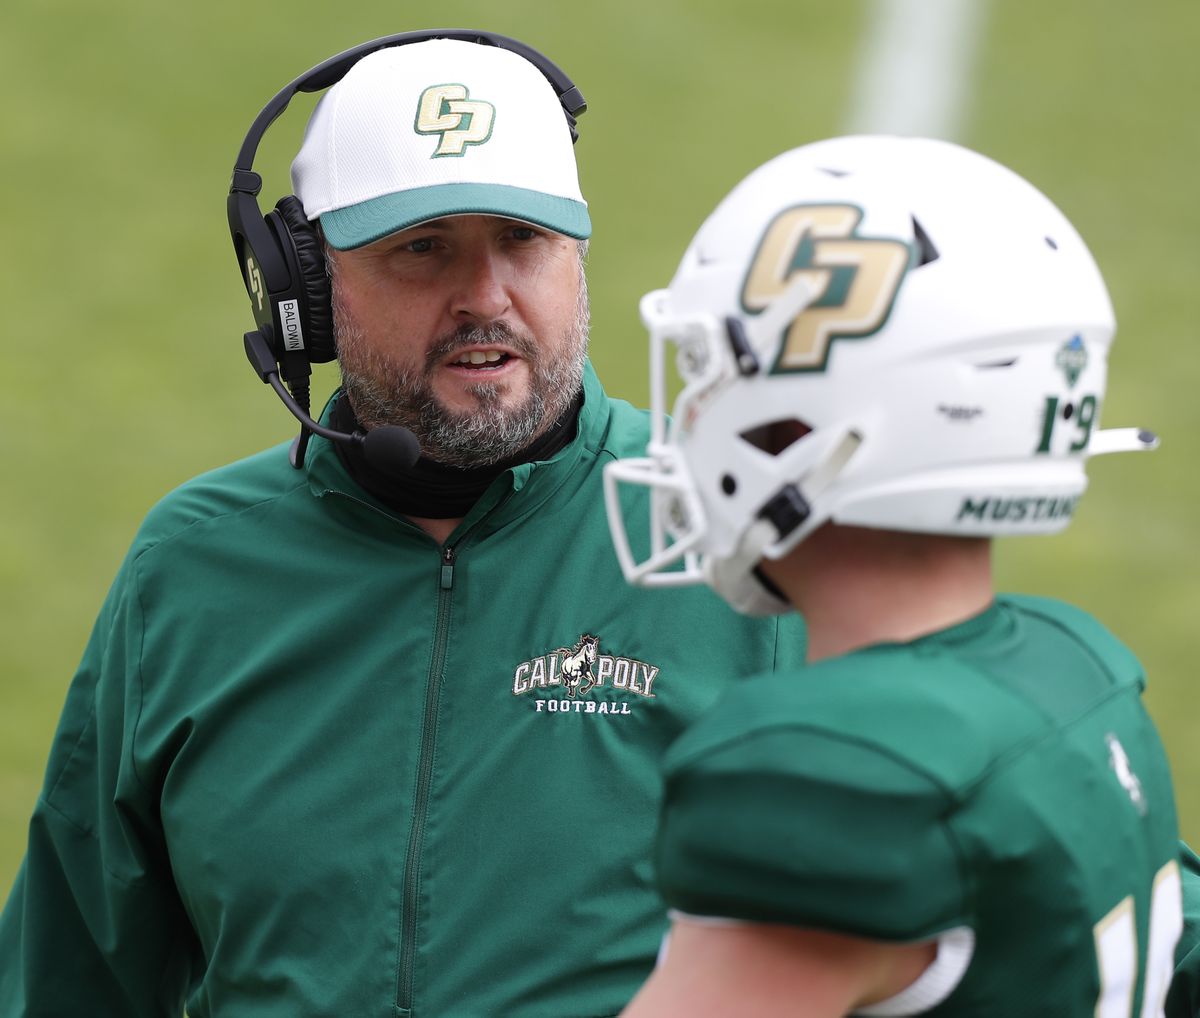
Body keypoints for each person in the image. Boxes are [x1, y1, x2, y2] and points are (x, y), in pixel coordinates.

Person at [0, 32, 807, 1017]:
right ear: (307, 292)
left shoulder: (738, 535)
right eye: (423, 250)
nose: (485, 298)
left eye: (522, 241)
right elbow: (67, 974)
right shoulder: (189, 569)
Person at [603, 135, 1185, 1015]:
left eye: (711, 378)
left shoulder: (840, 771)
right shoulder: (1080, 667)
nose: (686, 421)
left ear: (809, 432)